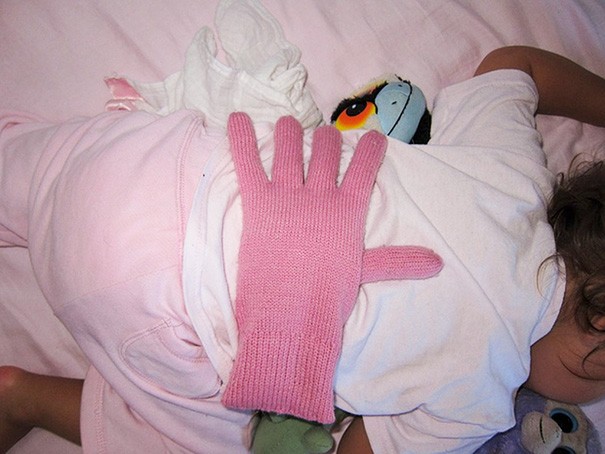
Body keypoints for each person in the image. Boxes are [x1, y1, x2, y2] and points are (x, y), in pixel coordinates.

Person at [0, 45, 604, 453]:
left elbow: (514, 63)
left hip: (151, 161)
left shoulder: (512, 173)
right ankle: (23, 398)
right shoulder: (480, 401)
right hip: (160, 315)